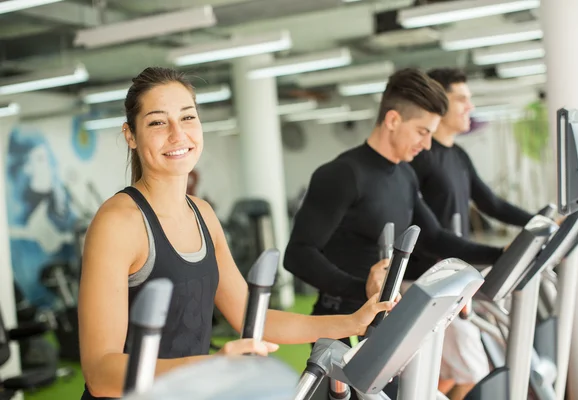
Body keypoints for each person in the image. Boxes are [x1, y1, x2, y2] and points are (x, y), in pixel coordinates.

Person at [77, 66, 395, 400]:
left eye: (187, 117)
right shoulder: (118, 222)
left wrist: (351, 322)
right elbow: (101, 372)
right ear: (130, 135)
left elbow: (251, 316)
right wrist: (209, 367)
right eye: (157, 122)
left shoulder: (203, 214)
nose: (177, 134)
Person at [283, 68, 505, 400]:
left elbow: (434, 237)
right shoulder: (342, 175)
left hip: (386, 326)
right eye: (421, 132)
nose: (427, 144)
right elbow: (298, 254)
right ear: (392, 120)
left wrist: (500, 255)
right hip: (340, 324)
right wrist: (364, 290)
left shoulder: (405, 176)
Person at [408, 67, 534, 400]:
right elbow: (430, 233)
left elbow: (491, 203)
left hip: (452, 278)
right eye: (461, 98)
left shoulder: (457, 155)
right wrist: (494, 253)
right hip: (426, 280)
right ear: (438, 101)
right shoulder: (420, 157)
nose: (470, 106)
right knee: (470, 370)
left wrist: (538, 223)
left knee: (451, 373)